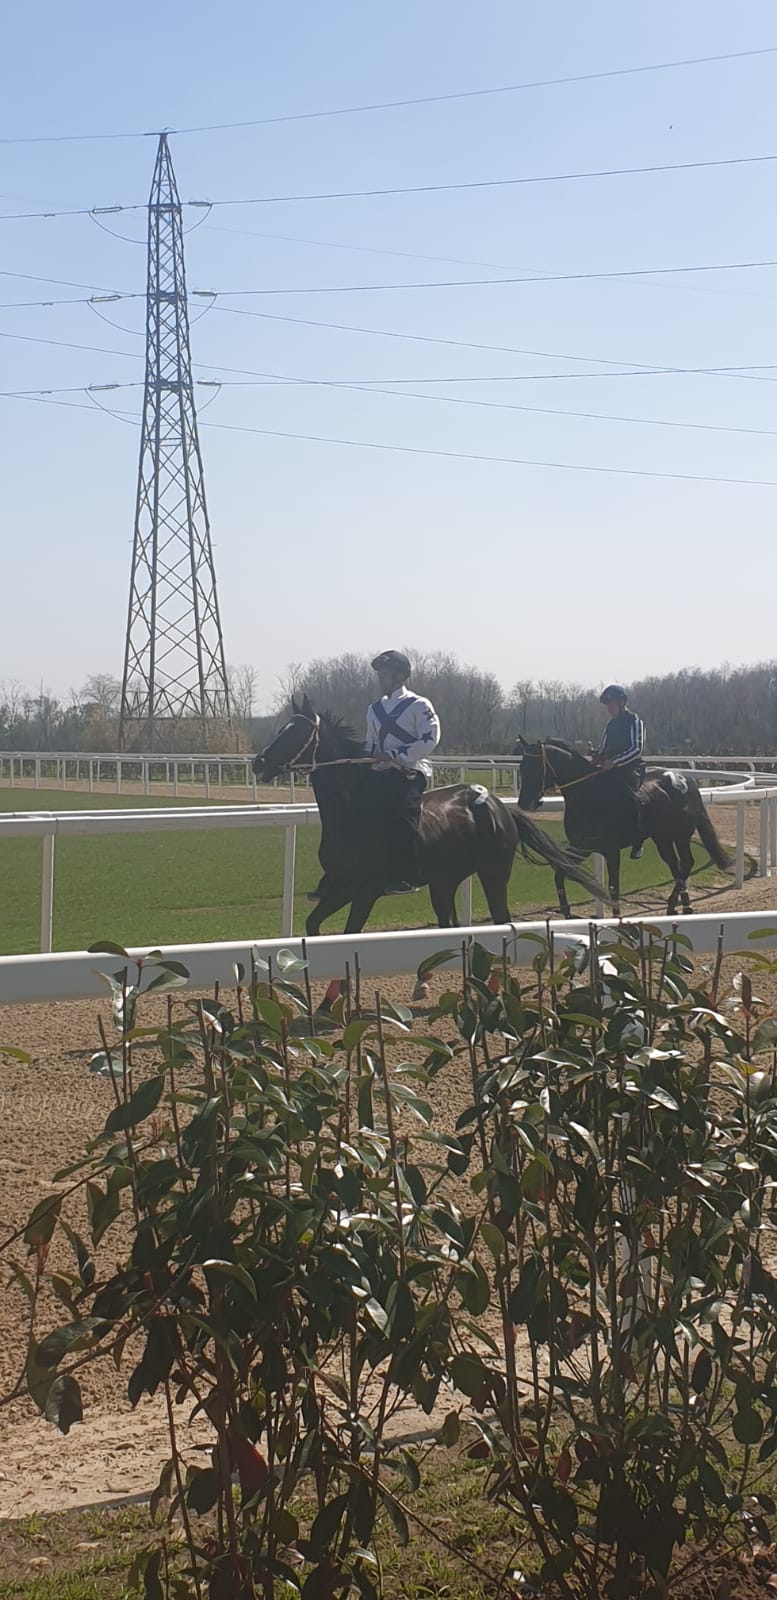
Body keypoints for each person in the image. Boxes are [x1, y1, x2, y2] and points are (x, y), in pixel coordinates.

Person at [365, 649, 441, 893]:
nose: (381, 679)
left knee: (401, 812)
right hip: (380, 772)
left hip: (410, 771)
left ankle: (408, 875)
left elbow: (430, 739)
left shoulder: (419, 705)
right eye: (380, 674)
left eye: (385, 674)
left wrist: (395, 755)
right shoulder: (374, 710)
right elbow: (370, 743)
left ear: (400, 676)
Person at [592, 684, 647, 860]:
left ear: (621, 703)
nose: (609, 708)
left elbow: (636, 749)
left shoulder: (634, 721)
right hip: (610, 768)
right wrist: (595, 756)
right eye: (607, 704)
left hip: (630, 768)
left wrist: (614, 762)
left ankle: (638, 838)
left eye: (611, 704)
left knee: (631, 798)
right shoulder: (610, 725)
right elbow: (602, 748)